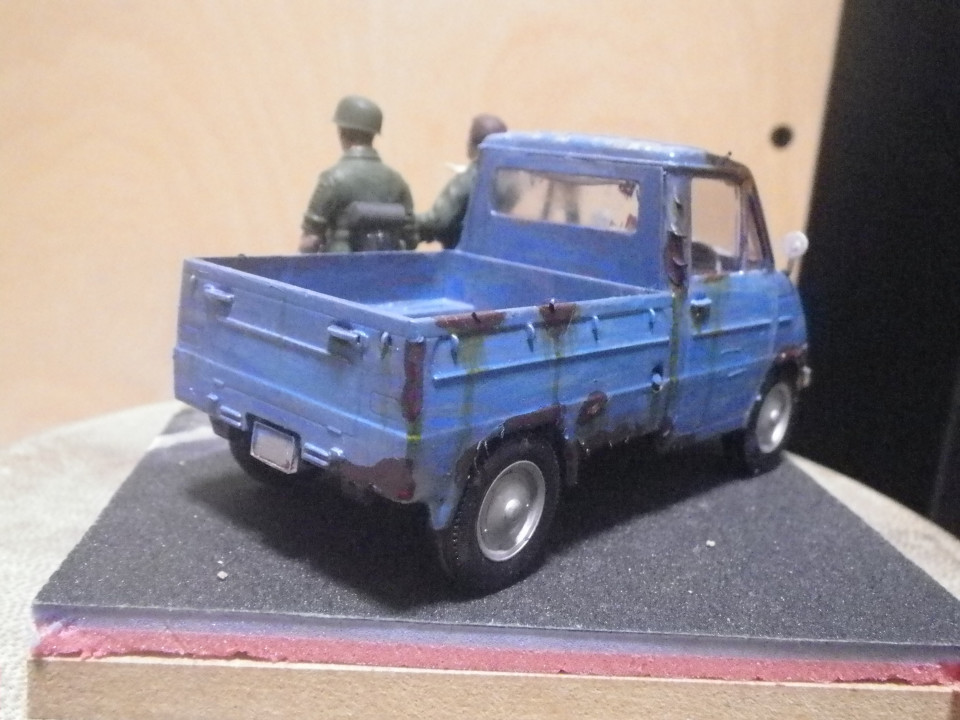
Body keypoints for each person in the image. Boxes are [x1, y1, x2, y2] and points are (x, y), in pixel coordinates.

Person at [300, 95, 415, 253]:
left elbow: (311, 240)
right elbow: (411, 238)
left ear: (342, 132)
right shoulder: (397, 182)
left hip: (341, 264)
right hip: (388, 264)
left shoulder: (332, 179)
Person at [416, 113, 507, 249]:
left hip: (462, 252)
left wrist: (407, 221)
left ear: (472, 144)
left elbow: (438, 221)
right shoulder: (510, 182)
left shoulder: (468, 180)